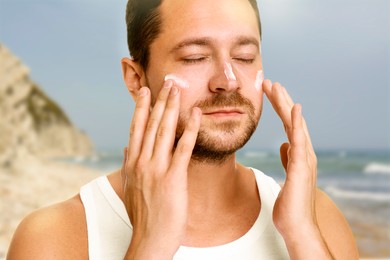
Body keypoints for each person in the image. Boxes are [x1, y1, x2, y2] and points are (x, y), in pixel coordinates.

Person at [7, 0, 359, 259]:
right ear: (136, 78)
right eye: (195, 57)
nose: (228, 81)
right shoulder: (54, 239)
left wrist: (301, 237)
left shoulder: (316, 218)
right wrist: (150, 247)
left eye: (245, 56)